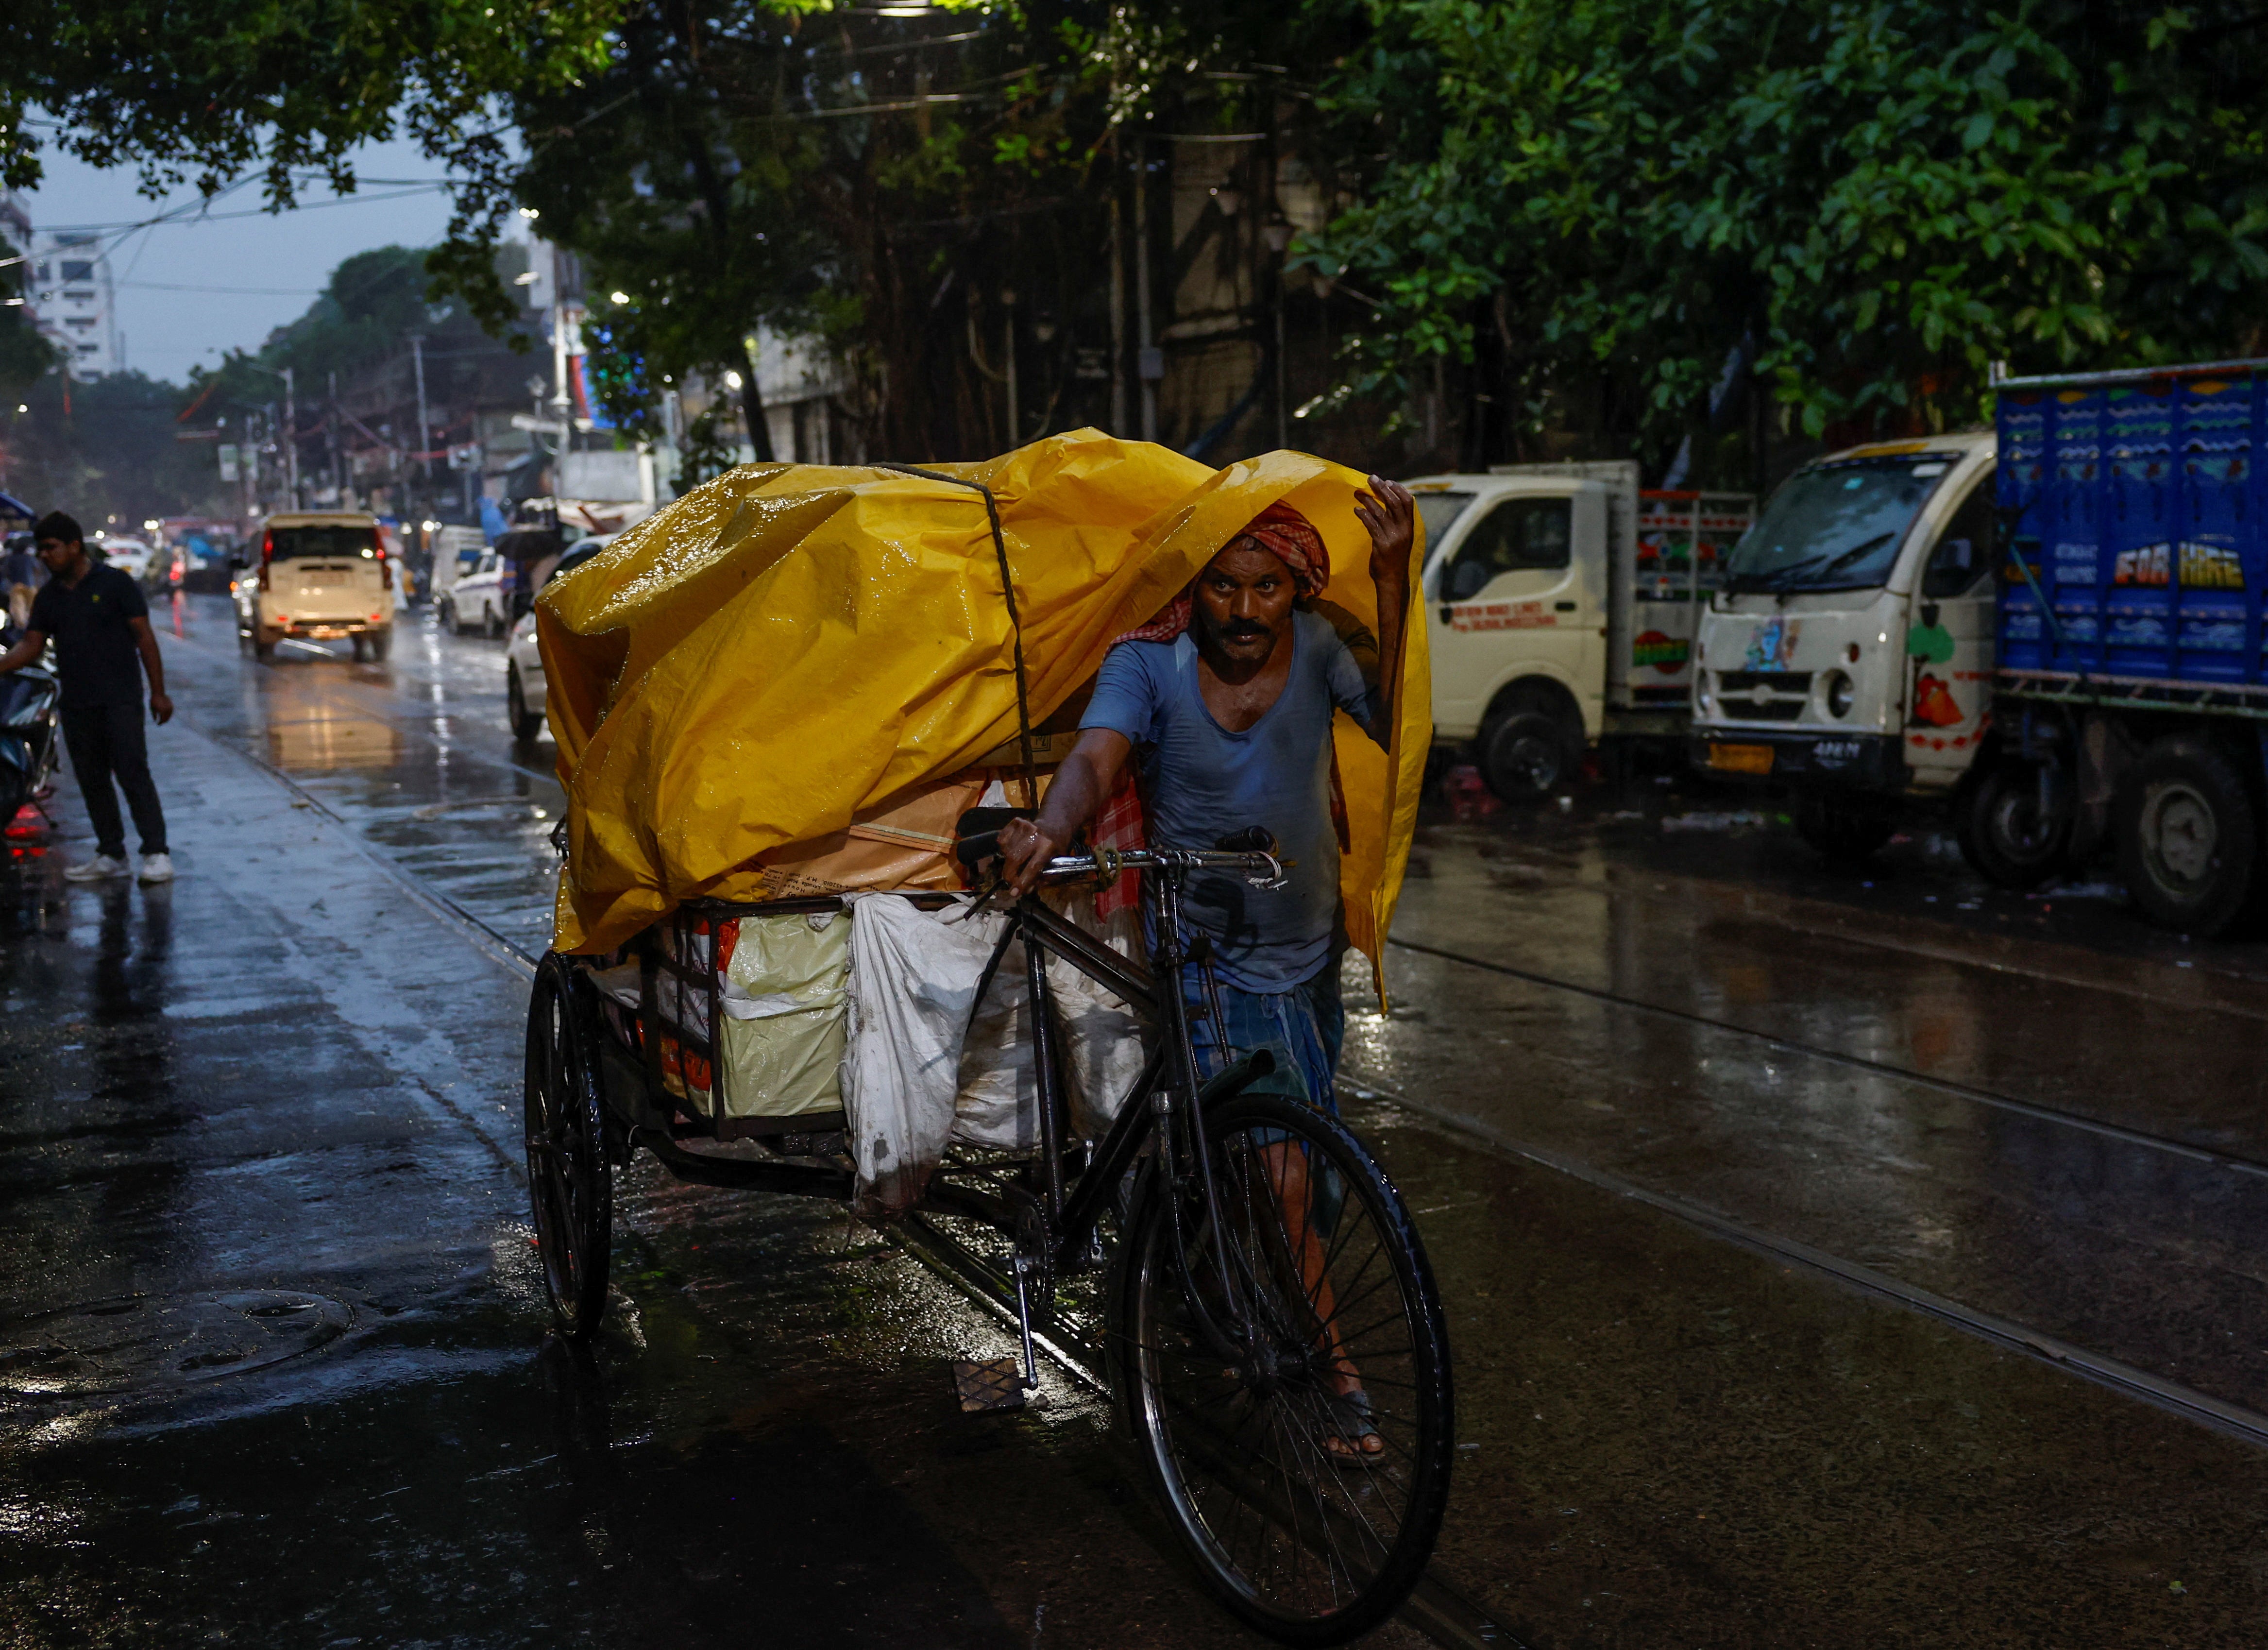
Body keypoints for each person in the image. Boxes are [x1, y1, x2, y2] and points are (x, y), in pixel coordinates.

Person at [998, 476, 1417, 1459]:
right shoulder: (1147, 666)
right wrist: (1050, 825)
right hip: (1208, 958)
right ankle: (1336, 1376)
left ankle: (1221, 1277)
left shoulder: (1318, 652)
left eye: (1266, 588)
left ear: (1297, 590)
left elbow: (1396, 719)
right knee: (1278, 1176)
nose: (1242, 610)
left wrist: (1396, 580)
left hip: (1308, 955)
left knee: (1306, 1177)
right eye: (1224, 587)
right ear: (1197, 591)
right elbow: (1096, 760)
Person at [0, 510, 174, 883]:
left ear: (75, 547)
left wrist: (159, 693)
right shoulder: (48, 598)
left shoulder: (116, 585)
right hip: (77, 702)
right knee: (92, 779)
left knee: (132, 772)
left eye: (51, 548)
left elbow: (145, 639)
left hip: (120, 698)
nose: (44, 556)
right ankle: (111, 853)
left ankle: (156, 852)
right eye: (41, 549)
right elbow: (32, 645)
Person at [2, 530, 43, 632]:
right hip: (31, 587)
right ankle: (32, 629)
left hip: (17, 587)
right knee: (31, 609)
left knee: (18, 611)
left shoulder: (11, 559)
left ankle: (21, 629)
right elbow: (37, 572)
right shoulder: (30, 558)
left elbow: (6, 573)